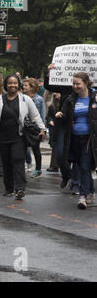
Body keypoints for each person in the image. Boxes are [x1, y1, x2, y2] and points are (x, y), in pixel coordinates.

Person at [0, 74, 46, 200]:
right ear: (6, 85)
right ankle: (9, 189)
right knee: (6, 162)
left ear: (18, 84)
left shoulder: (25, 99)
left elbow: (35, 115)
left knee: (18, 159)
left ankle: (20, 189)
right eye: (10, 83)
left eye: (15, 83)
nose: (12, 85)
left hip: (18, 136)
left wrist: (43, 129)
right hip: (2, 136)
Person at [55, 72, 96, 209]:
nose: (75, 86)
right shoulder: (71, 99)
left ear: (85, 83)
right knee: (81, 164)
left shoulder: (94, 97)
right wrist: (60, 114)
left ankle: (82, 196)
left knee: (84, 166)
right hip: (73, 137)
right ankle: (90, 191)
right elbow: (65, 113)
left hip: (89, 137)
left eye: (78, 83)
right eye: (73, 83)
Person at [44, 63, 80, 193]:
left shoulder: (89, 91)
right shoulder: (65, 87)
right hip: (64, 124)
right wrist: (49, 73)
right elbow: (48, 85)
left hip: (80, 125)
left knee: (77, 155)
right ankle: (66, 175)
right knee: (59, 154)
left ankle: (76, 183)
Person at [23, 78, 46, 178]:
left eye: (26, 85)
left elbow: (42, 114)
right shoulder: (22, 97)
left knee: (36, 149)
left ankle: (38, 169)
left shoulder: (39, 99)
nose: (23, 87)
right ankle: (24, 165)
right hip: (24, 127)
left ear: (32, 87)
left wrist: (43, 130)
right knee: (22, 147)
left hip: (35, 128)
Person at [45, 91, 60, 172]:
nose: (55, 94)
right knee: (54, 146)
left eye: (57, 93)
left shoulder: (65, 103)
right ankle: (54, 165)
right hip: (54, 128)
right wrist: (50, 120)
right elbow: (49, 116)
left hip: (61, 127)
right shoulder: (52, 105)